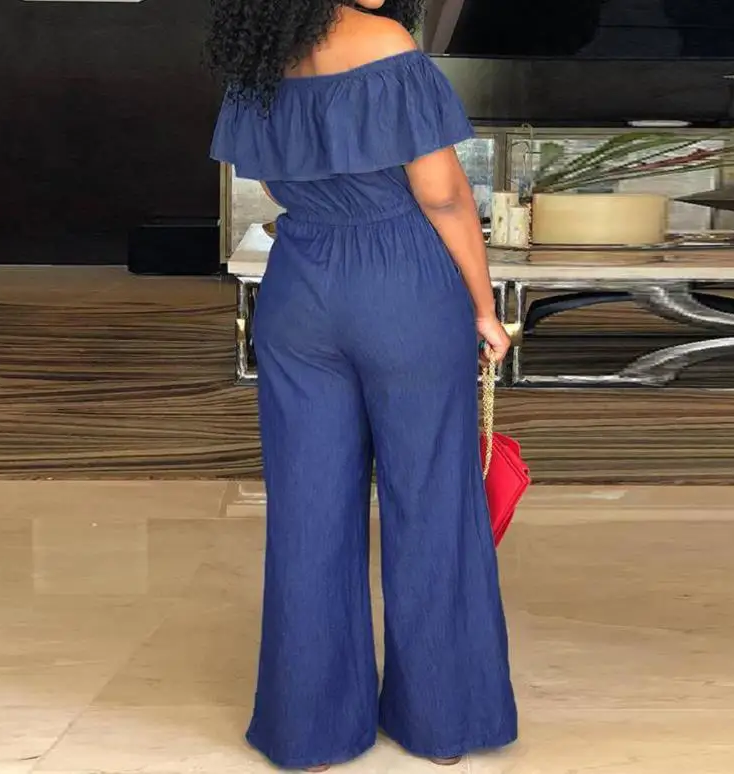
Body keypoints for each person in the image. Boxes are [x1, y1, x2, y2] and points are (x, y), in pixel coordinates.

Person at [207, 1, 517, 770]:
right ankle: (441, 721)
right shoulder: (385, 42)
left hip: (299, 286)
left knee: (309, 508)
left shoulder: (262, 49)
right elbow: (443, 194)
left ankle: (309, 731)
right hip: (401, 283)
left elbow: (274, 181)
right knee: (431, 500)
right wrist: (485, 307)